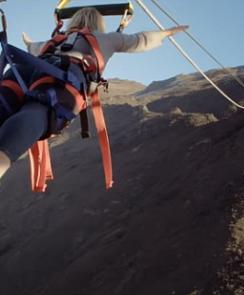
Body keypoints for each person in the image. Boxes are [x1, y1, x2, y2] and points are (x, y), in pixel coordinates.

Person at [0, 7, 188, 181]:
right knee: (38, 112)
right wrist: (168, 32)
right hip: (62, 79)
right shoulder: (104, 38)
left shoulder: (50, 42)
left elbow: (30, 46)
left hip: (26, 70)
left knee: (5, 101)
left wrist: (28, 41)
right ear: (99, 24)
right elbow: (142, 40)